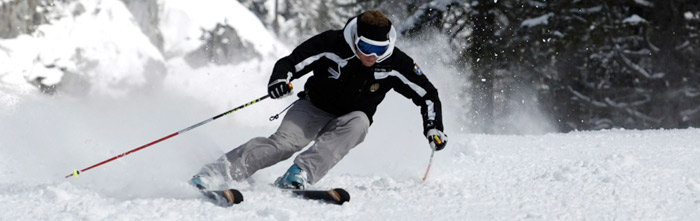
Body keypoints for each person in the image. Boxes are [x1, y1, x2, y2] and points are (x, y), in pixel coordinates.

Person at [189, 10, 447, 190]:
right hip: (313, 107)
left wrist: (433, 127)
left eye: (379, 50)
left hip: (350, 118)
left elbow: (427, 94)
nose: (371, 56)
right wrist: (281, 80)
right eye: (366, 48)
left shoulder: (395, 63)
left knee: (359, 123)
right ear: (355, 38)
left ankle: (299, 174)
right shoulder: (333, 44)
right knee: (283, 145)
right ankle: (217, 172)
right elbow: (290, 63)